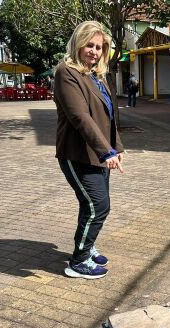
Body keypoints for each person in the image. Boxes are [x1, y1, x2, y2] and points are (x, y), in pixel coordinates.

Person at [54, 21, 124, 279]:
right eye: (89, 45)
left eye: (99, 47)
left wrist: (114, 148)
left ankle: (87, 246)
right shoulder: (66, 72)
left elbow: (108, 116)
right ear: (78, 43)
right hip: (77, 153)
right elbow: (80, 116)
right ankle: (78, 262)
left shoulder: (96, 75)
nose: (94, 51)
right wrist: (106, 151)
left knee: (92, 205)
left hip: (99, 152)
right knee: (98, 205)